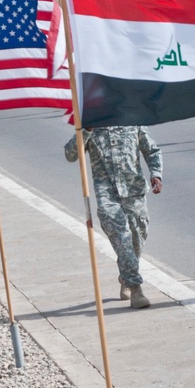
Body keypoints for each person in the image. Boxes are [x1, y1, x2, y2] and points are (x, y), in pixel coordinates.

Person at [65, 125, 162, 309]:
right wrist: (85, 131)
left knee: (136, 238)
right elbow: (70, 155)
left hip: (134, 191)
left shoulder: (132, 122)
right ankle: (135, 289)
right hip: (107, 195)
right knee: (121, 238)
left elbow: (151, 150)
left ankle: (125, 275)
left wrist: (156, 174)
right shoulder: (90, 125)